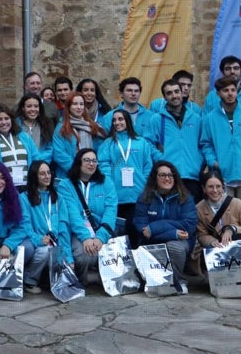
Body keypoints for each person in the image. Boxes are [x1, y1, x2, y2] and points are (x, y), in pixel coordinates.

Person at [197, 76, 241, 219]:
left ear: (237, 92)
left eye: (233, 90)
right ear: (218, 94)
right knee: (225, 219)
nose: (230, 93)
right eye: (225, 90)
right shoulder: (210, 119)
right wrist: (213, 162)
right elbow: (206, 144)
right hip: (223, 177)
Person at [132, 161, 196, 293]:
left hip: (178, 241)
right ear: (155, 178)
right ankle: (154, 281)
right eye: (162, 175)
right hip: (151, 241)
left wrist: (155, 228)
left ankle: (179, 281)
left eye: (170, 175)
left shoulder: (185, 198)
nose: (167, 178)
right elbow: (142, 227)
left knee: (175, 247)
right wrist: (173, 232)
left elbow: (188, 225)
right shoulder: (144, 198)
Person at [60, 148, 118, 285]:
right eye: (87, 160)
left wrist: (101, 237)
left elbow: (111, 211)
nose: (91, 164)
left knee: (107, 252)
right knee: (82, 255)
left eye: (94, 161)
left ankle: (105, 280)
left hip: (100, 230)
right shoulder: (65, 185)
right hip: (78, 231)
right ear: (78, 162)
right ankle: (80, 281)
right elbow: (72, 214)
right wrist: (85, 237)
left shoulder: (106, 183)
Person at [194, 167, 241, 269]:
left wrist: (232, 229)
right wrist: (211, 241)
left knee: (235, 238)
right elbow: (201, 235)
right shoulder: (199, 208)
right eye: (210, 187)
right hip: (218, 246)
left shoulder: (236, 203)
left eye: (218, 186)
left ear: (223, 186)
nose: (215, 190)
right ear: (204, 189)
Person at [143, 78, 204, 201]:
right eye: (169, 93)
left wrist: (198, 162)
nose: (174, 96)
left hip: (192, 176)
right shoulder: (157, 119)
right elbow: (148, 143)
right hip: (168, 176)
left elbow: (203, 144)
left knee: (194, 215)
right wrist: (161, 159)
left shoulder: (196, 119)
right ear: (164, 97)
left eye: (176, 91)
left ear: (182, 93)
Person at [98, 109, 158, 231]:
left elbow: (148, 166)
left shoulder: (141, 142)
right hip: (116, 193)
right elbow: (103, 164)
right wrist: (109, 182)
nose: (117, 122)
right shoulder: (108, 143)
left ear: (128, 121)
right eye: (114, 120)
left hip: (138, 193)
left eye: (120, 119)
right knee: (118, 230)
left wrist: (144, 182)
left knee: (136, 228)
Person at [20, 160, 72, 294]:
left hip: (55, 243)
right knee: (45, 252)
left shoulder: (58, 198)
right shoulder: (25, 198)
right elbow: (24, 225)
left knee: (61, 254)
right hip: (38, 243)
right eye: (42, 174)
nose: (47, 176)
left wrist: (69, 258)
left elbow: (63, 227)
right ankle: (29, 281)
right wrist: (38, 239)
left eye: (49, 173)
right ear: (34, 176)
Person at [0, 107, 38, 191]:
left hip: (27, 187)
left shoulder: (23, 136)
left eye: (7, 118)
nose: (4, 122)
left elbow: (36, 158)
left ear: (12, 120)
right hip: (4, 188)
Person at [51, 92, 105, 175]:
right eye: (75, 104)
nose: (79, 107)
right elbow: (59, 154)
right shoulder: (61, 128)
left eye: (81, 104)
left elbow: (100, 150)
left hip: (91, 173)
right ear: (69, 107)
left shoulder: (92, 126)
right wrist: (77, 170)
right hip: (69, 174)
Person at [15, 93, 54, 164]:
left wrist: (39, 163)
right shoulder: (15, 125)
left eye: (36, 106)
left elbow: (49, 149)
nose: (33, 109)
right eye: (29, 106)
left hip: (41, 166)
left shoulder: (46, 124)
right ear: (23, 108)